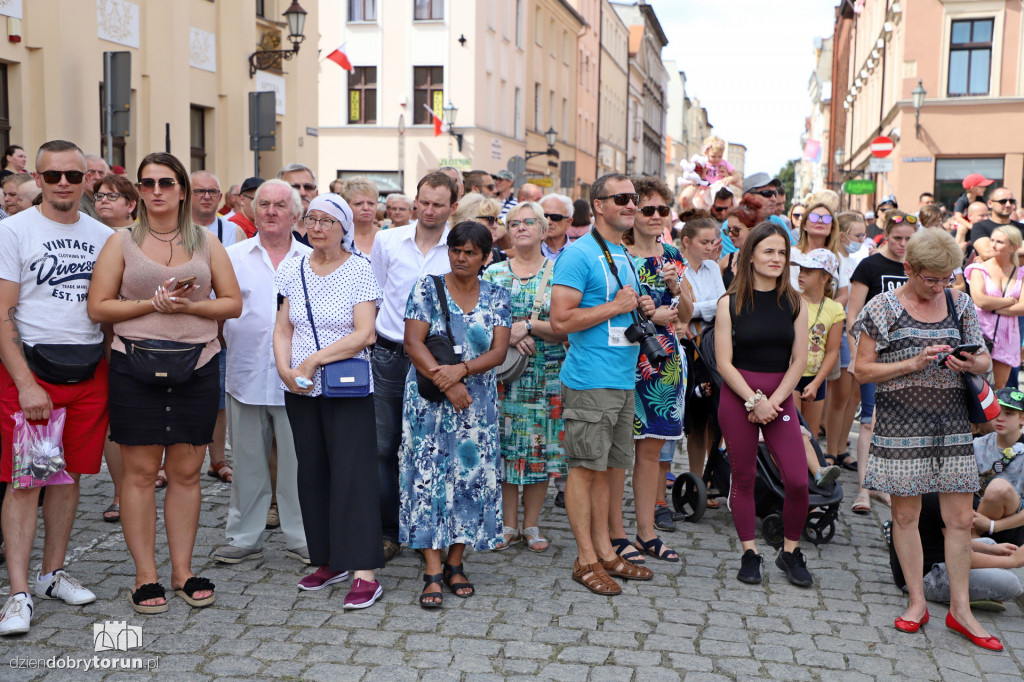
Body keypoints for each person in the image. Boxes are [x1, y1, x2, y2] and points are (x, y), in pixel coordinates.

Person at [88, 152, 242, 614]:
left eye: (166, 182)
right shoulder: (120, 241)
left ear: (182, 190)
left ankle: (182, 571)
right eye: (148, 183)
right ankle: (145, 577)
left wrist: (190, 307)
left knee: (187, 473)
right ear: (139, 191)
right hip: (134, 365)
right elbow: (98, 307)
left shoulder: (207, 242)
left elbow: (232, 303)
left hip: (197, 365)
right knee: (138, 475)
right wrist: (151, 305)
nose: (157, 191)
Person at [854, 227, 1002, 650]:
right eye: (931, 279)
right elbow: (861, 371)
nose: (939, 287)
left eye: (946, 278)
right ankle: (917, 601)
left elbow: (985, 358)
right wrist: (911, 364)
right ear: (909, 269)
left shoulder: (959, 302)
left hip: (952, 426)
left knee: (960, 520)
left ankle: (961, 610)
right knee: (907, 517)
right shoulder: (882, 307)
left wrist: (971, 363)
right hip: (900, 427)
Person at [0, 140, 112, 636]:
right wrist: (25, 383)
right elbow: (2, 314)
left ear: (86, 179)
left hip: (88, 371)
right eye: (52, 175)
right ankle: (18, 592)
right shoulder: (13, 231)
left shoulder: (103, 235)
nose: (63, 183)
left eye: (73, 175)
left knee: (67, 476)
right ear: (37, 178)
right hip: (32, 371)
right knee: (27, 481)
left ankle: (52, 574)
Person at [273, 192, 385, 609]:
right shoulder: (292, 266)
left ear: (344, 228)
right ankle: (329, 559)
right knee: (312, 472)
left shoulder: (359, 268)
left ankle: (364, 571)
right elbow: (282, 327)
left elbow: (365, 333)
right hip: (301, 388)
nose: (317, 227)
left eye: (327, 221)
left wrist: (314, 360)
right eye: (312, 219)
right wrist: (284, 368)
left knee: (353, 476)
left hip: (346, 387)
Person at [549, 173, 657, 595]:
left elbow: (616, 309)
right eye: (622, 198)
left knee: (609, 470)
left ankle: (606, 552)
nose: (632, 204)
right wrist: (615, 307)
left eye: (634, 198)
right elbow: (561, 320)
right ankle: (585, 559)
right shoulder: (578, 254)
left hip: (621, 379)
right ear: (598, 205)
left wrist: (638, 307)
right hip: (591, 380)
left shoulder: (620, 251)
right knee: (584, 470)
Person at [400, 221, 511, 607]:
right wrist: (447, 382)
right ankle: (432, 569)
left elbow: (499, 352)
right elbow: (413, 342)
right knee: (427, 480)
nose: (461, 258)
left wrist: (461, 371)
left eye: (470, 253)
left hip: (476, 404)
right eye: (455, 250)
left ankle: (455, 562)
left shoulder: (497, 294)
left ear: (485, 257)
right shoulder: (426, 288)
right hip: (429, 400)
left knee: (470, 479)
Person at [213, 180, 311, 567]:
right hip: (246, 374)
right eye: (264, 204)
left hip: (297, 379)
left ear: (296, 214)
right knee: (248, 464)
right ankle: (244, 537)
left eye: (280, 205)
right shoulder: (232, 257)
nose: (271, 211)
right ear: (253, 212)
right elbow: (215, 311)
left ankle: (302, 537)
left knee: (298, 465)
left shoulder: (311, 260)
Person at [714, 221, 812, 587]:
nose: (776, 258)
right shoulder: (729, 303)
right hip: (738, 395)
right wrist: (755, 400)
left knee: (798, 481)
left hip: (780, 398)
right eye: (768, 251)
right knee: (743, 478)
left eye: (782, 252)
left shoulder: (795, 302)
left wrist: (773, 402)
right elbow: (724, 362)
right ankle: (749, 553)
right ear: (750, 256)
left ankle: (790, 552)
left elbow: (799, 360)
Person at [370, 171, 457, 562]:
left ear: (452, 207)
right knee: (383, 447)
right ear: (415, 200)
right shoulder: (387, 240)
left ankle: (428, 534)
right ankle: (388, 531)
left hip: (436, 360)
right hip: (389, 354)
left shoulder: (458, 246)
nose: (429, 210)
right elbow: (376, 294)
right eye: (424, 202)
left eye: (438, 204)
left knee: (432, 448)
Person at [610, 177, 692, 556]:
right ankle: (614, 534)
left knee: (651, 452)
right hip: (624, 358)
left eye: (663, 209)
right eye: (648, 209)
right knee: (617, 452)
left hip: (664, 364)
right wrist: (650, 314)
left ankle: (646, 532)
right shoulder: (616, 254)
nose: (656, 216)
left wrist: (675, 290)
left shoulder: (672, 255)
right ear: (632, 212)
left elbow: (686, 313)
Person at [483, 204, 568, 552]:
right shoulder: (493, 273)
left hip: (547, 374)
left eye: (529, 222)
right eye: (514, 223)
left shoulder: (560, 272)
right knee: (505, 448)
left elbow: (568, 327)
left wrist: (530, 326)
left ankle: (532, 525)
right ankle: (508, 525)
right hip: (503, 375)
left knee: (539, 448)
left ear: (544, 230)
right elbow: (480, 321)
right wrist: (511, 335)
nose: (521, 227)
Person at [846, 210, 917, 513]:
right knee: (868, 422)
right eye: (897, 238)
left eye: (909, 239)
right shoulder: (870, 265)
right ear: (885, 235)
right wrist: (854, 354)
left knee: (898, 425)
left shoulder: (917, 266)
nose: (903, 244)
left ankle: (883, 484)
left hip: (910, 358)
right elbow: (853, 313)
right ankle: (864, 489)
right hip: (874, 355)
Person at [680, 212, 726, 505]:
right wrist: (702, 308)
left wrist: (697, 308)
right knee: (696, 421)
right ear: (687, 242)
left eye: (713, 242)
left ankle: (711, 477)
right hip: (690, 347)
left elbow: (722, 304)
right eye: (704, 242)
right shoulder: (678, 268)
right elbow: (682, 309)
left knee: (714, 418)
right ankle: (696, 481)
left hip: (712, 345)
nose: (710, 247)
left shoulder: (712, 268)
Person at [791, 249, 845, 486]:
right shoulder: (790, 300)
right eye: (801, 269)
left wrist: (816, 383)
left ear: (825, 277)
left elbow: (832, 351)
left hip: (815, 378)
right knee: (794, 432)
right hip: (790, 378)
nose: (801, 274)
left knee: (810, 436)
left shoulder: (834, 309)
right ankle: (791, 480)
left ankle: (809, 483)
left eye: (809, 271)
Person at [823, 212, 868, 471]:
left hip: (858, 330)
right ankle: (831, 449)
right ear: (842, 235)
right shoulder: (833, 259)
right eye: (858, 235)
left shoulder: (855, 259)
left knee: (854, 395)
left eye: (864, 235)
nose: (862, 240)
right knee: (839, 394)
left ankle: (842, 448)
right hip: (839, 329)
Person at [965, 226, 1024, 389]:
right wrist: (1010, 301)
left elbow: (1023, 307)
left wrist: (994, 308)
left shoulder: (1021, 273)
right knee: (975, 385)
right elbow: (980, 300)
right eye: (992, 240)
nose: (993, 245)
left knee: (999, 388)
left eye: (999, 242)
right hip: (980, 332)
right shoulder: (979, 269)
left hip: (1008, 335)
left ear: (1013, 247)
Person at [972, 387, 1024, 546]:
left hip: (1012, 524)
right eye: (996, 411)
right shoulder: (977, 444)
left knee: (999, 488)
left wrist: (993, 526)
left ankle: (971, 538)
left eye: (1008, 413)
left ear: (1022, 419)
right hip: (975, 513)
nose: (1000, 418)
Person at [790, 203, 848, 306]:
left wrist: (825, 311)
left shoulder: (837, 258)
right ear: (804, 225)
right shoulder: (791, 255)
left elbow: (843, 295)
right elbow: (790, 292)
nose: (820, 221)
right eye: (814, 217)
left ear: (832, 227)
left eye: (826, 218)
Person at [968, 188, 1023, 261]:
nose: (1008, 205)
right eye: (1003, 201)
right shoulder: (980, 227)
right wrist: (1020, 252)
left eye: (1011, 201)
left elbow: (991, 255)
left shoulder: (1021, 227)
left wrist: (996, 255)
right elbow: (987, 253)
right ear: (990, 204)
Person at [452, 192, 505, 264]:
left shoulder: (498, 257)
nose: (495, 226)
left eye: (496, 220)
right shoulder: (447, 252)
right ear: (469, 221)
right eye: (490, 220)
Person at [338, 176, 381, 256]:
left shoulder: (386, 237)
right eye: (358, 203)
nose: (366, 208)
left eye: (371, 203)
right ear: (346, 206)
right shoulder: (338, 239)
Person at [719, 203, 757, 289]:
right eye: (728, 229)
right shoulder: (728, 259)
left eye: (736, 230)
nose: (730, 234)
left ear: (752, 230)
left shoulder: (765, 259)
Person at [540, 193, 574, 261]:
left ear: (568, 222)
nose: (548, 221)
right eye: (543, 216)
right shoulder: (527, 251)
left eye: (555, 217)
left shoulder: (578, 253)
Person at [76, 154, 110, 220]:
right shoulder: (76, 204)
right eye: (91, 172)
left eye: (101, 173)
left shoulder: (111, 200)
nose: (97, 177)